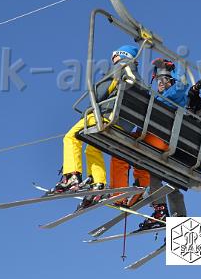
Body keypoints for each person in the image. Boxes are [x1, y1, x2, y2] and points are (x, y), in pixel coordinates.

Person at [51, 44, 140, 209]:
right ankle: (98, 184)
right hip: (124, 126)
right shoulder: (138, 78)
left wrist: (87, 112)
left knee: (71, 137)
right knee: (92, 149)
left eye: (115, 54)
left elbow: (99, 93)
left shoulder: (120, 67)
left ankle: (71, 176)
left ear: (122, 54)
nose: (112, 57)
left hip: (107, 116)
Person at [136, 57, 189, 230]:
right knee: (166, 181)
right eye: (158, 80)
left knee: (152, 171)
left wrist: (175, 67)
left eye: (164, 79)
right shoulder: (157, 98)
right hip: (159, 141)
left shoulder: (175, 94)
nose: (160, 82)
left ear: (171, 81)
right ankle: (172, 214)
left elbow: (182, 84)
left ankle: (158, 207)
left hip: (166, 141)